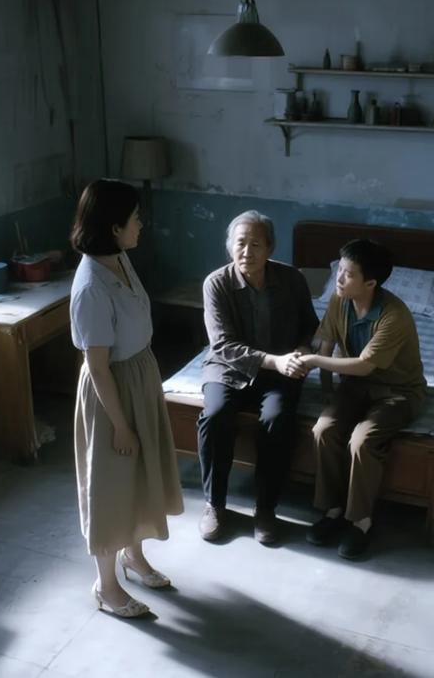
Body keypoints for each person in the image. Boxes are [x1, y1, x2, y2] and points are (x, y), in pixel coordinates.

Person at [69, 179, 184, 618]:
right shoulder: (91, 287)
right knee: (111, 485)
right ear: (114, 227)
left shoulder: (119, 258)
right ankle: (106, 586)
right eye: (135, 218)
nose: (141, 224)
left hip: (139, 375)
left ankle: (133, 557)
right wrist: (119, 425)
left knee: (138, 475)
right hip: (112, 390)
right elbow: (98, 366)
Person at [296, 239, 427, 559]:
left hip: (398, 392)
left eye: (348, 274)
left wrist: (313, 362)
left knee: (362, 440)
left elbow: (365, 365)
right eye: (339, 270)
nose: (339, 279)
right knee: (324, 429)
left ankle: (361, 521)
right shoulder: (339, 300)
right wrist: (327, 390)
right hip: (355, 386)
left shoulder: (394, 316)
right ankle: (333, 510)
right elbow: (327, 342)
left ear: (370, 283)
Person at [197, 211, 319, 545]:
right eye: (240, 243)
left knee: (278, 419)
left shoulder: (292, 279)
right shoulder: (216, 283)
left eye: (255, 244)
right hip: (228, 367)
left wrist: (301, 351)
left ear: (270, 248)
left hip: (280, 369)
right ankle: (214, 504)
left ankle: (265, 509)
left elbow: (310, 326)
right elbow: (222, 345)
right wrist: (274, 361)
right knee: (215, 416)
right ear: (229, 246)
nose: (247, 251)